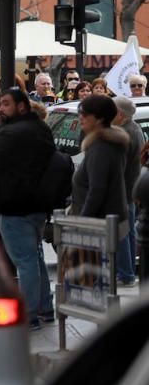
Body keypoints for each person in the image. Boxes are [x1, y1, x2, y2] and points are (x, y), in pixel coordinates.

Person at [0, 87, 54, 330]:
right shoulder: (39, 128)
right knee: (36, 258)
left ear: (22, 106)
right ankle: (44, 308)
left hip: (15, 207)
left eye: (7, 104)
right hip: (36, 205)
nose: (0, 109)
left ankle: (29, 315)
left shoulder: (13, 133)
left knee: (25, 261)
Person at [70, 94, 131, 271]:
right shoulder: (106, 144)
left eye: (85, 114)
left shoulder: (101, 147)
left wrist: (82, 222)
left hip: (99, 225)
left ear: (99, 119)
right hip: (105, 221)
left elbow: (97, 190)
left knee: (95, 282)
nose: (81, 117)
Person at [113, 96, 144, 286]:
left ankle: (125, 273)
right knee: (128, 232)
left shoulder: (125, 133)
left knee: (122, 233)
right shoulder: (134, 129)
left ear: (120, 114)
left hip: (123, 190)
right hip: (130, 189)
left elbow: (119, 167)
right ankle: (128, 270)